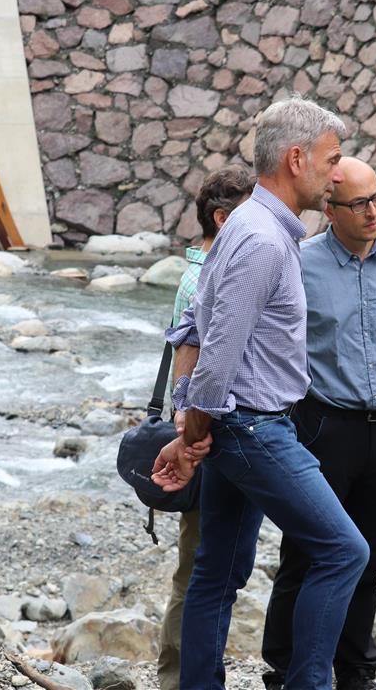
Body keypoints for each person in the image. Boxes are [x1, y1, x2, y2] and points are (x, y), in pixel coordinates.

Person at [153, 96, 369, 690]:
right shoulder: (264, 239)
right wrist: (192, 432)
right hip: (252, 426)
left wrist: (191, 427)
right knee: (344, 552)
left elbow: (196, 321)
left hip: (237, 423)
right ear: (296, 160)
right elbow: (218, 347)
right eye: (332, 159)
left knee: (217, 574)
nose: (337, 174)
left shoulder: (250, 224)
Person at [261, 157, 376, 690]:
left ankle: (356, 670)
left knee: (369, 555)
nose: (373, 211)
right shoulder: (297, 262)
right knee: (306, 551)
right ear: (330, 209)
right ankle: (285, 668)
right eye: (358, 204)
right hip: (319, 425)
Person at [158, 165, 256, 690]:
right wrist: (190, 435)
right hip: (204, 437)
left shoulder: (213, 268)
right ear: (222, 219)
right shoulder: (205, 277)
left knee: (205, 565)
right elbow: (198, 367)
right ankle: (179, 679)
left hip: (209, 434)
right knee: (200, 568)